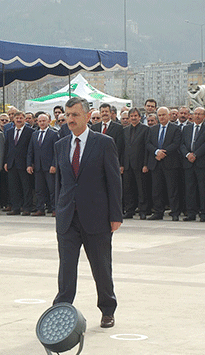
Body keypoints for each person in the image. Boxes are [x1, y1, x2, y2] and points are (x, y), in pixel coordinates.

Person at [52, 96, 122, 328]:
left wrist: (115, 215)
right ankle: (61, 310)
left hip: (96, 217)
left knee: (101, 267)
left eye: (74, 115)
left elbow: (114, 181)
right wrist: (58, 210)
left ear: (87, 116)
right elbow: (60, 183)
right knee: (66, 269)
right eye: (67, 115)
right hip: (68, 218)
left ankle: (107, 309)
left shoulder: (103, 143)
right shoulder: (60, 145)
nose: (69, 119)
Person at [145, 107, 183, 221]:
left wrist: (163, 152)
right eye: (159, 115)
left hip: (170, 163)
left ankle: (175, 212)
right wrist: (157, 151)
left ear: (169, 115)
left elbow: (176, 143)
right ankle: (158, 212)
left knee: (172, 189)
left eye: (163, 115)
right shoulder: (152, 129)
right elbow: (148, 143)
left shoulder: (175, 129)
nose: (161, 117)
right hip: (156, 163)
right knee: (156, 189)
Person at [180, 107, 205, 222]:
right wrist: (188, 154)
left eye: (200, 114)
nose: (197, 116)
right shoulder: (186, 128)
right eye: (195, 114)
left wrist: (196, 155)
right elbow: (182, 144)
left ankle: (204, 213)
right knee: (190, 189)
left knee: (203, 189)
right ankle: (191, 213)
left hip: (201, 163)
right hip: (188, 163)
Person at [27, 113, 59, 216]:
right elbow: (30, 151)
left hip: (49, 166)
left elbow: (56, 151)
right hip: (38, 166)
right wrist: (29, 164)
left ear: (48, 121)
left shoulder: (54, 134)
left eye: (43, 121)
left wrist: (54, 165)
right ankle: (40, 209)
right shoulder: (34, 134)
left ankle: (54, 209)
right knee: (39, 189)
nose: (41, 123)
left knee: (52, 189)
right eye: (40, 121)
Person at [4, 111, 34, 215]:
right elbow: (7, 148)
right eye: (17, 118)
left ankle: (26, 208)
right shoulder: (9, 131)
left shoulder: (30, 131)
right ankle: (15, 208)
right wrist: (6, 162)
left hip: (24, 163)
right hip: (12, 163)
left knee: (26, 187)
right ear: (13, 120)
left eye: (21, 118)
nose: (19, 120)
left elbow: (31, 149)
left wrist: (30, 163)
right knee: (13, 187)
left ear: (25, 119)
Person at [123, 108, 150, 219]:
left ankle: (143, 210)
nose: (133, 118)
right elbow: (122, 148)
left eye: (135, 116)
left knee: (141, 189)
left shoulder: (145, 129)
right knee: (128, 188)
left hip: (140, 164)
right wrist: (121, 164)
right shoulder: (124, 130)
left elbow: (147, 148)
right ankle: (129, 210)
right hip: (127, 164)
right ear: (129, 118)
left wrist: (146, 164)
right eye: (131, 116)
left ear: (139, 117)